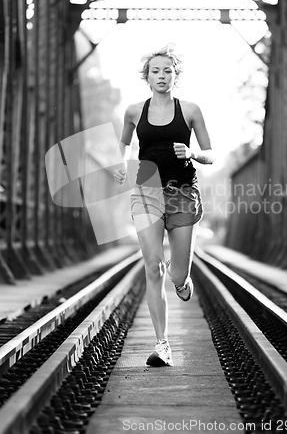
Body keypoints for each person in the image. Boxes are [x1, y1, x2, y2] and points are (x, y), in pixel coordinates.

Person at [113, 44, 213, 367]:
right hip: (147, 192)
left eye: (167, 70)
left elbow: (210, 153)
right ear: (147, 76)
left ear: (175, 75)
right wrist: (121, 163)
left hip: (183, 192)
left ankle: (182, 279)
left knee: (177, 274)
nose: (161, 75)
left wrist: (193, 153)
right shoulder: (133, 111)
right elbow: (124, 142)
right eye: (155, 71)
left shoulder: (191, 110)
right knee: (153, 267)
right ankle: (162, 345)